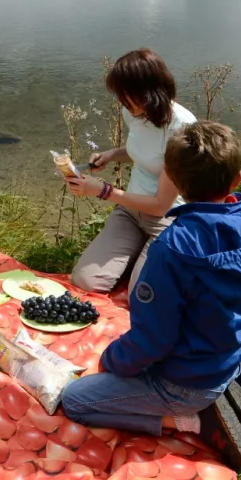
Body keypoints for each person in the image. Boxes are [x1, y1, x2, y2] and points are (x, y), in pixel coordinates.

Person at [61, 121, 241, 471]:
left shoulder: (172, 248)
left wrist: (110, 362)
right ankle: (214, 400)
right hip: (229, 366)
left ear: (173, 182)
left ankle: (192, 421)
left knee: (74, 401)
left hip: (184, 384)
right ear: (237, 180)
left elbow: (153, 340)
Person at [67, 49, 196, 295]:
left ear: (148, 92)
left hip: (167, 219)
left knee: (143, 295)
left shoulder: (182, 128)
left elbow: (161, 205)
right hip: (131, 212)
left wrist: (104, 190)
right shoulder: (134, 113)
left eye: (125, 95)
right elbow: (145, 151)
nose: (121, 102)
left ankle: (149, 260)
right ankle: (140, 256)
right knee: (86, 281)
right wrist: (111, 155)